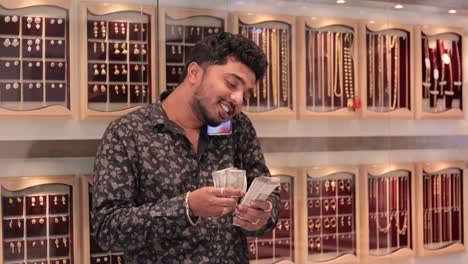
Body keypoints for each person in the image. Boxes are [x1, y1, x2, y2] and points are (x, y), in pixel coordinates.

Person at [91, 32, 281, 263]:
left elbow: (269, 194)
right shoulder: (129, 133)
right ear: (194, 73)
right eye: (231, 84)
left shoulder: (238, 127)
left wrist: (263, 215)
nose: (238, 100)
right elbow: (107, 229)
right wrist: (187, 207)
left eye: (246, 93)